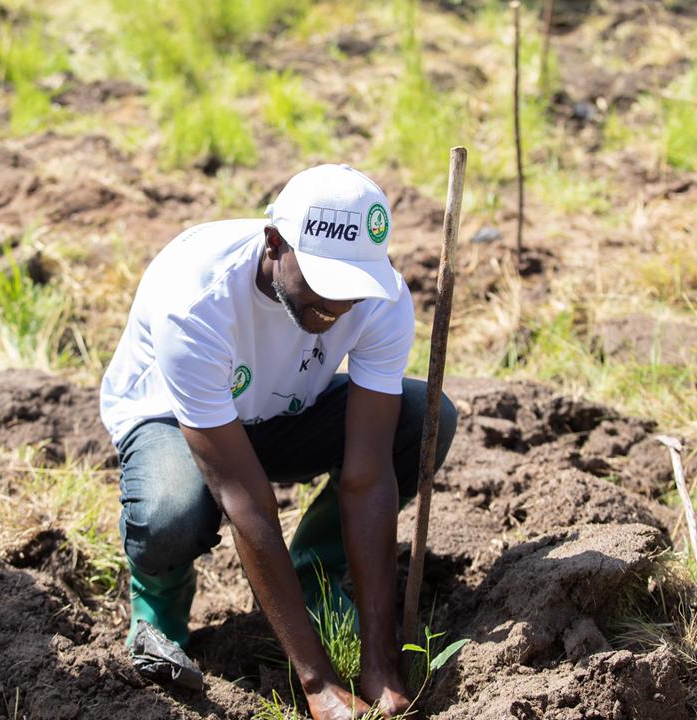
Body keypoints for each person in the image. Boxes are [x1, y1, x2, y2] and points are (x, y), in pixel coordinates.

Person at [99, 164, 457, 720]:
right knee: (170, 511)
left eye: (352, 288)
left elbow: (367, 476)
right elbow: (245, 500)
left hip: (284, 409)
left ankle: (316, 569)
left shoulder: (380, 297)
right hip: (176, 420)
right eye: (322, 283)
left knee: (421, 421)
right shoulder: (196, 300)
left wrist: (380, 660)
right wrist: (316, 681)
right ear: (273, 244)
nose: (339, 305)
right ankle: (159, 601)